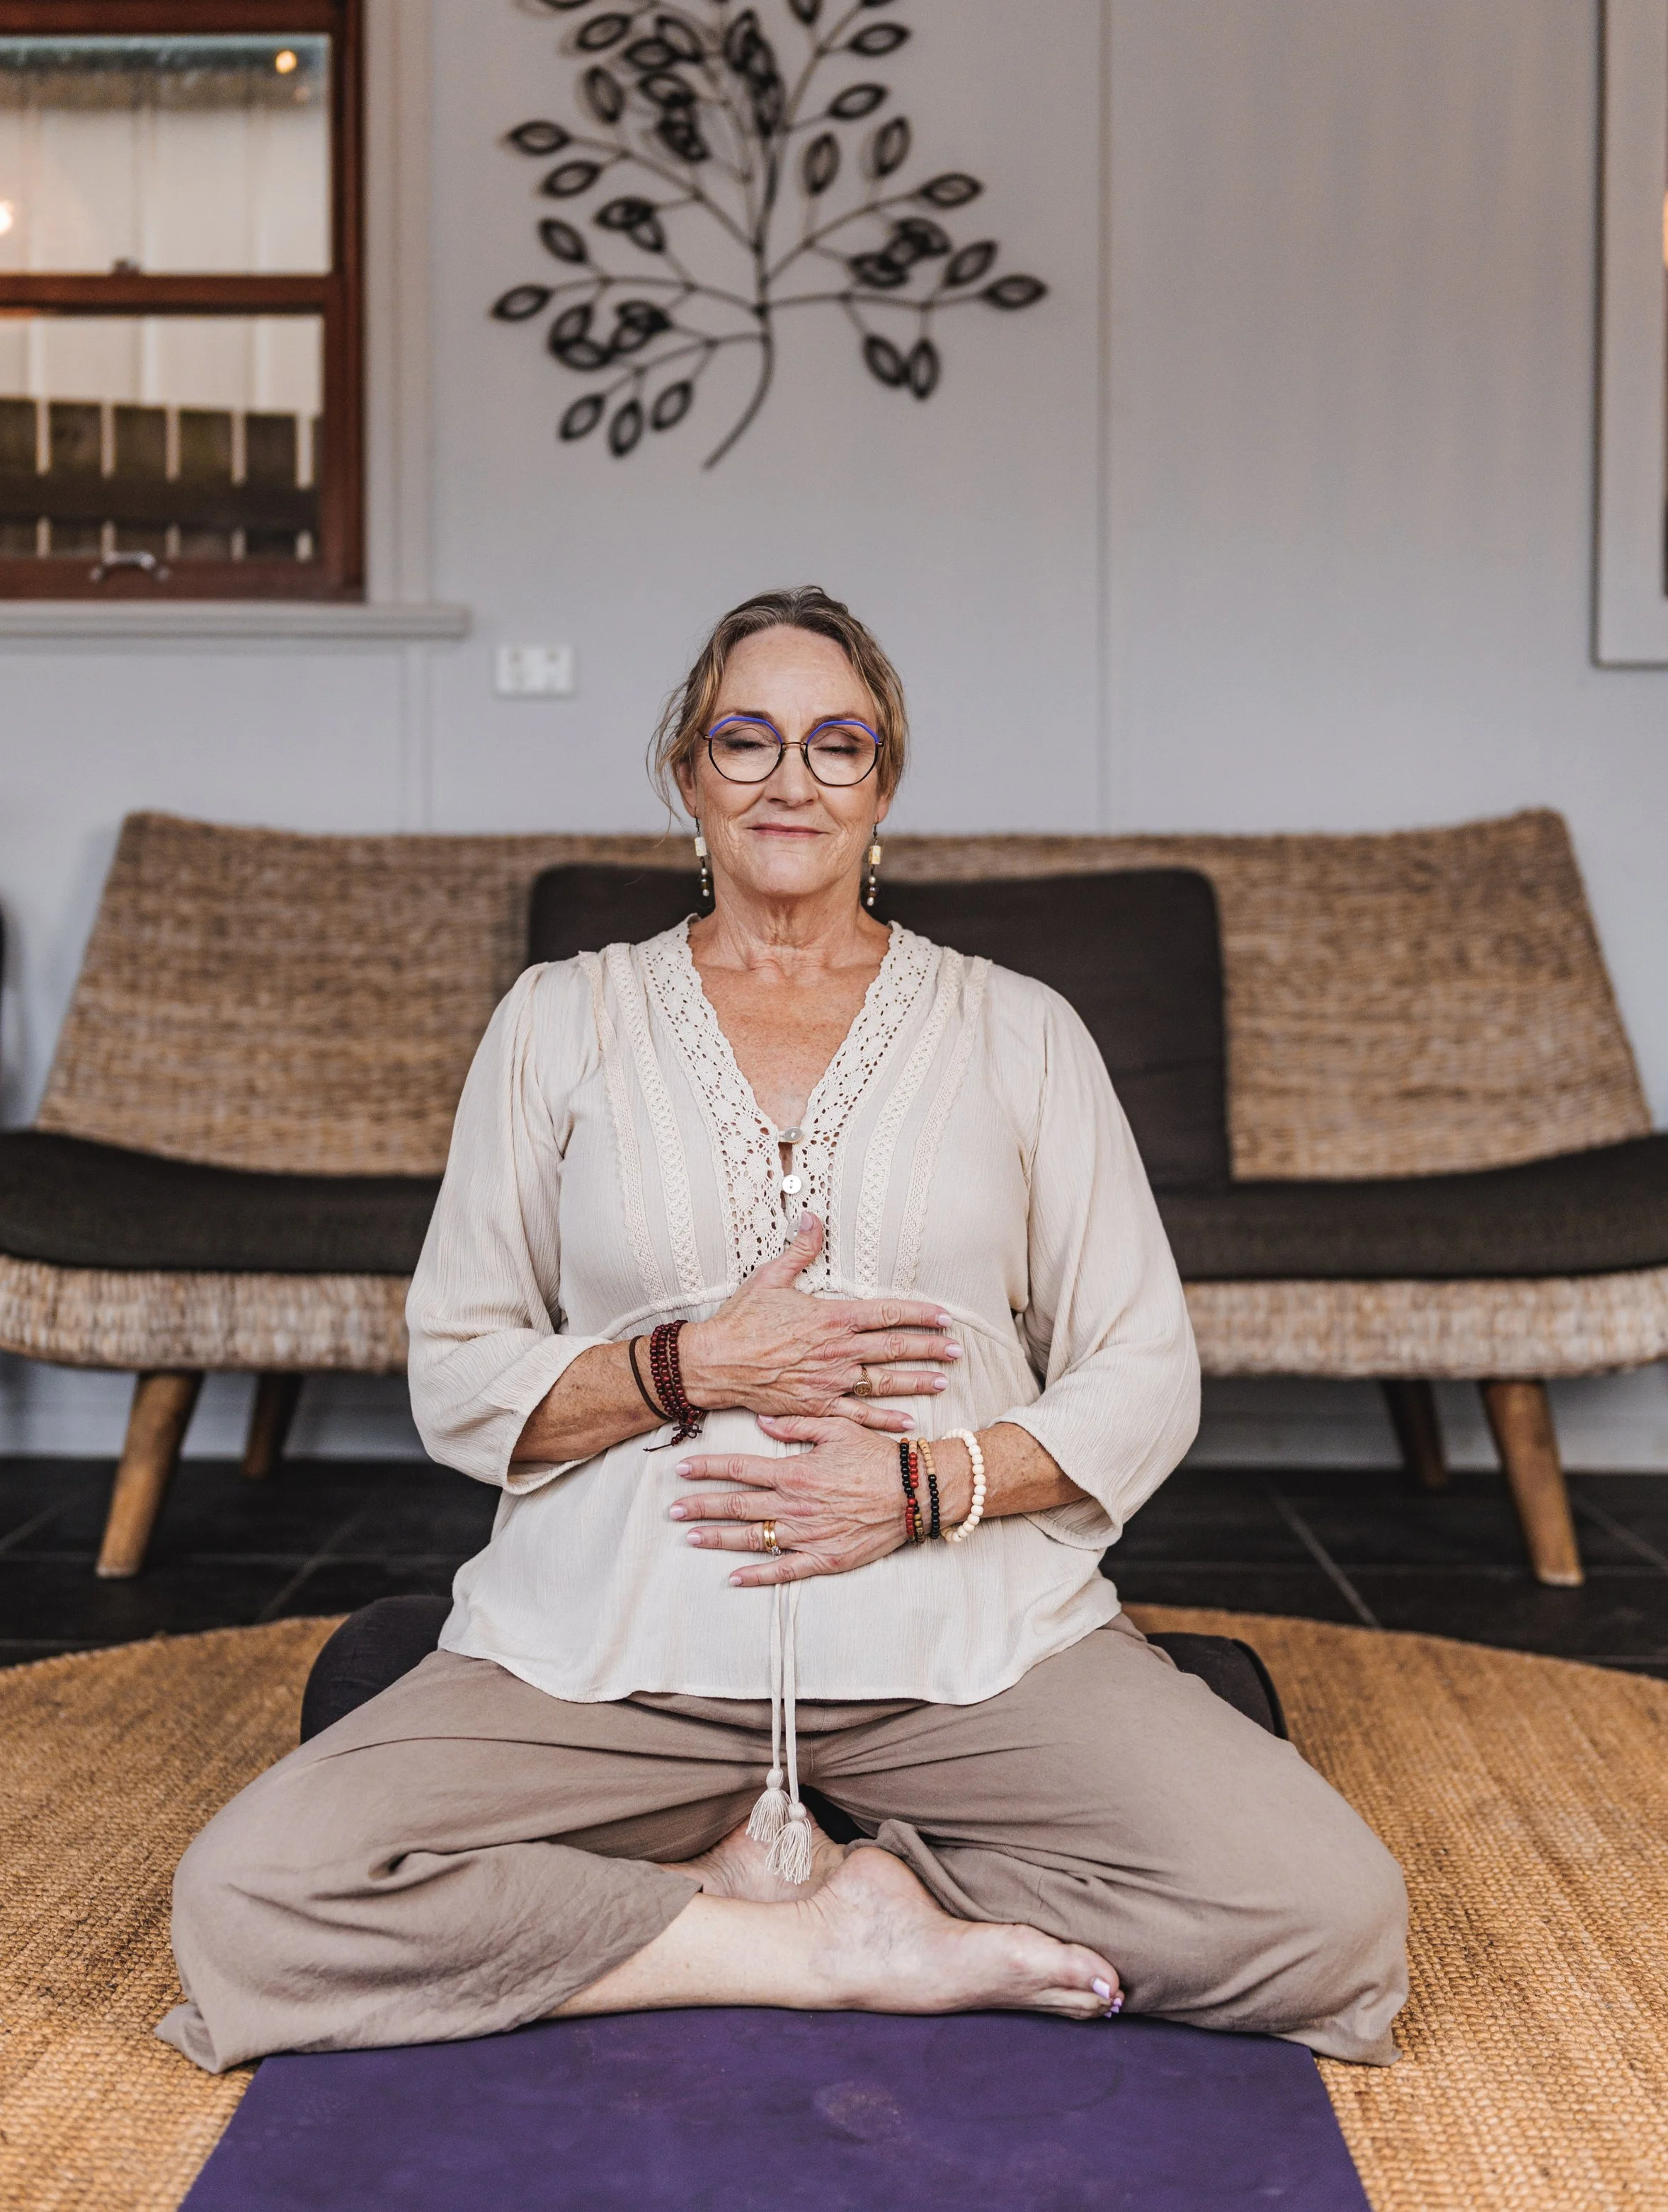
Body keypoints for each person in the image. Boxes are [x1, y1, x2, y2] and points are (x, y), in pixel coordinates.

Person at [159, 587, 1407, 2074]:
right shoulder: (560, 1020)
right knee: (249, 1897)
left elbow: (1143, 1365)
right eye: (742, 738)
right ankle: (797, 1931)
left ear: (882, 783)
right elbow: (455, 1363)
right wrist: (685, 1365)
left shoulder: (1019, 1029)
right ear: (686, 774)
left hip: (962, 1643)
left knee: (1327, 1912)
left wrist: (920, 1482)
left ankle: (820, 1873)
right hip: (616, 1648)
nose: (788, 777)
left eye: (835, 742)